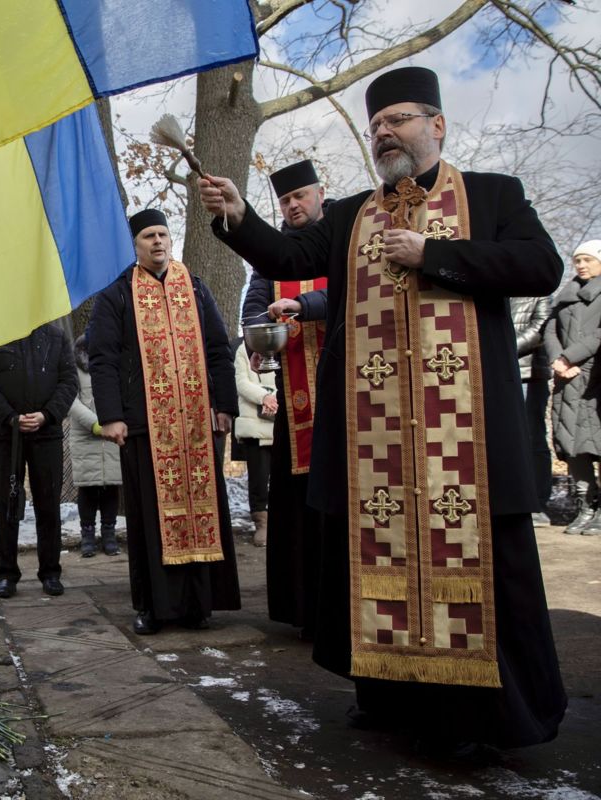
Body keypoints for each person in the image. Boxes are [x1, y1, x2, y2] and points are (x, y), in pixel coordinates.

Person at [199, 65, 566, 749]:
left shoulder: (491, 195)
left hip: (468, 441)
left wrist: (435, 254)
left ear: (437, 126)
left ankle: (486, 719)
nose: (384, 134)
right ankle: (396, 699)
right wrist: (235, 213)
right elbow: (281, 253)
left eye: (397, 120)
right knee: (379, 567)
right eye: (375, 127)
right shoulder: (349, 215)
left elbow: (540, 266)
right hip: (379, 445)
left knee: (486, 575)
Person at [89, 209, 241, 635]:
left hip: (195, 421)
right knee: (149, 519)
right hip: (143, 425)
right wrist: (112, 416)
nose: (158, 242)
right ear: (135, 245)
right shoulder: (118, 293)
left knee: (201, 511)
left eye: (163, 234)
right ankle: (153, 608)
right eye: (148, 237)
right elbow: (102, 358)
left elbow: (218, 347)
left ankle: (199, 605)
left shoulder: (194, 287)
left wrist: (225, 404)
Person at [241, 159, 330, 639]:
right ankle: (303, 609)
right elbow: (254, 306)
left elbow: (353, 294)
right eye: (285, 201)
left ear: (320, 194)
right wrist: (257, 338)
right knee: (297, 504)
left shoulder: (343, 235)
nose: (293, 206)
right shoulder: (271, 253)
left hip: (344, 396)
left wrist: (306, 305)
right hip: (294, 399)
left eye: (300, 197)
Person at [0, 323, 77, 598]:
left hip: (47, 433)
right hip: (6, 435)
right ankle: (7, 574)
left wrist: (47, 414)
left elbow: (69, 381)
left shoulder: (55, 336)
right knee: (6, 505)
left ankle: (51, 572)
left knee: (48, 504)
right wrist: (10, 417)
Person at [547, 240, 601, 536]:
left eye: (587, 260)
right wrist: (559, 359)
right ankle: (585, 507)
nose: (581, 265)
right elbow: (550, 331)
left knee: (598, 442)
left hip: (595, 379)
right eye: (577, 260)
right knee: (573, 444)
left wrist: (573, 357)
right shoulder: (565, 297)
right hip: (566, 378)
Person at [67, 334, 123, 557]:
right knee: (88, 487)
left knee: (111, 485)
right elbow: (71, 401)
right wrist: (95, 424)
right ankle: (87, 534)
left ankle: (109, 533)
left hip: (113, 433)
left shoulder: (115, 363)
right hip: (86, 434)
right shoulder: (75, 367)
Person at [512, 295, 554, 527]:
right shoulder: (497, 292)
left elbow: (540, 329)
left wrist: (502, 347)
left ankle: (538, 503)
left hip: (529, 374)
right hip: (500, 373)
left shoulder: (539, 294)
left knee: (532, 438)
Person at [233, 340, 276, 547]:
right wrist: (264, 397)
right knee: (258, 479)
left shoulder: (280, 345)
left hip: (278, 420)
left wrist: (276, 399)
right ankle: (262, 524)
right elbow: (240, 382)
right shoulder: (243, 349)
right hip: (254, 423)